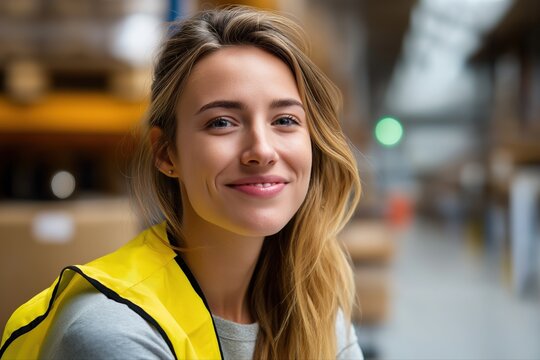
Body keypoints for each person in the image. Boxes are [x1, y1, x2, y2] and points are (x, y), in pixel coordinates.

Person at [0, 6, 362, 359]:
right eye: (222, 122)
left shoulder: (318, 316)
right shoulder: (114, 331)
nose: (262, 150)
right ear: (166, 154)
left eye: (284, 120)